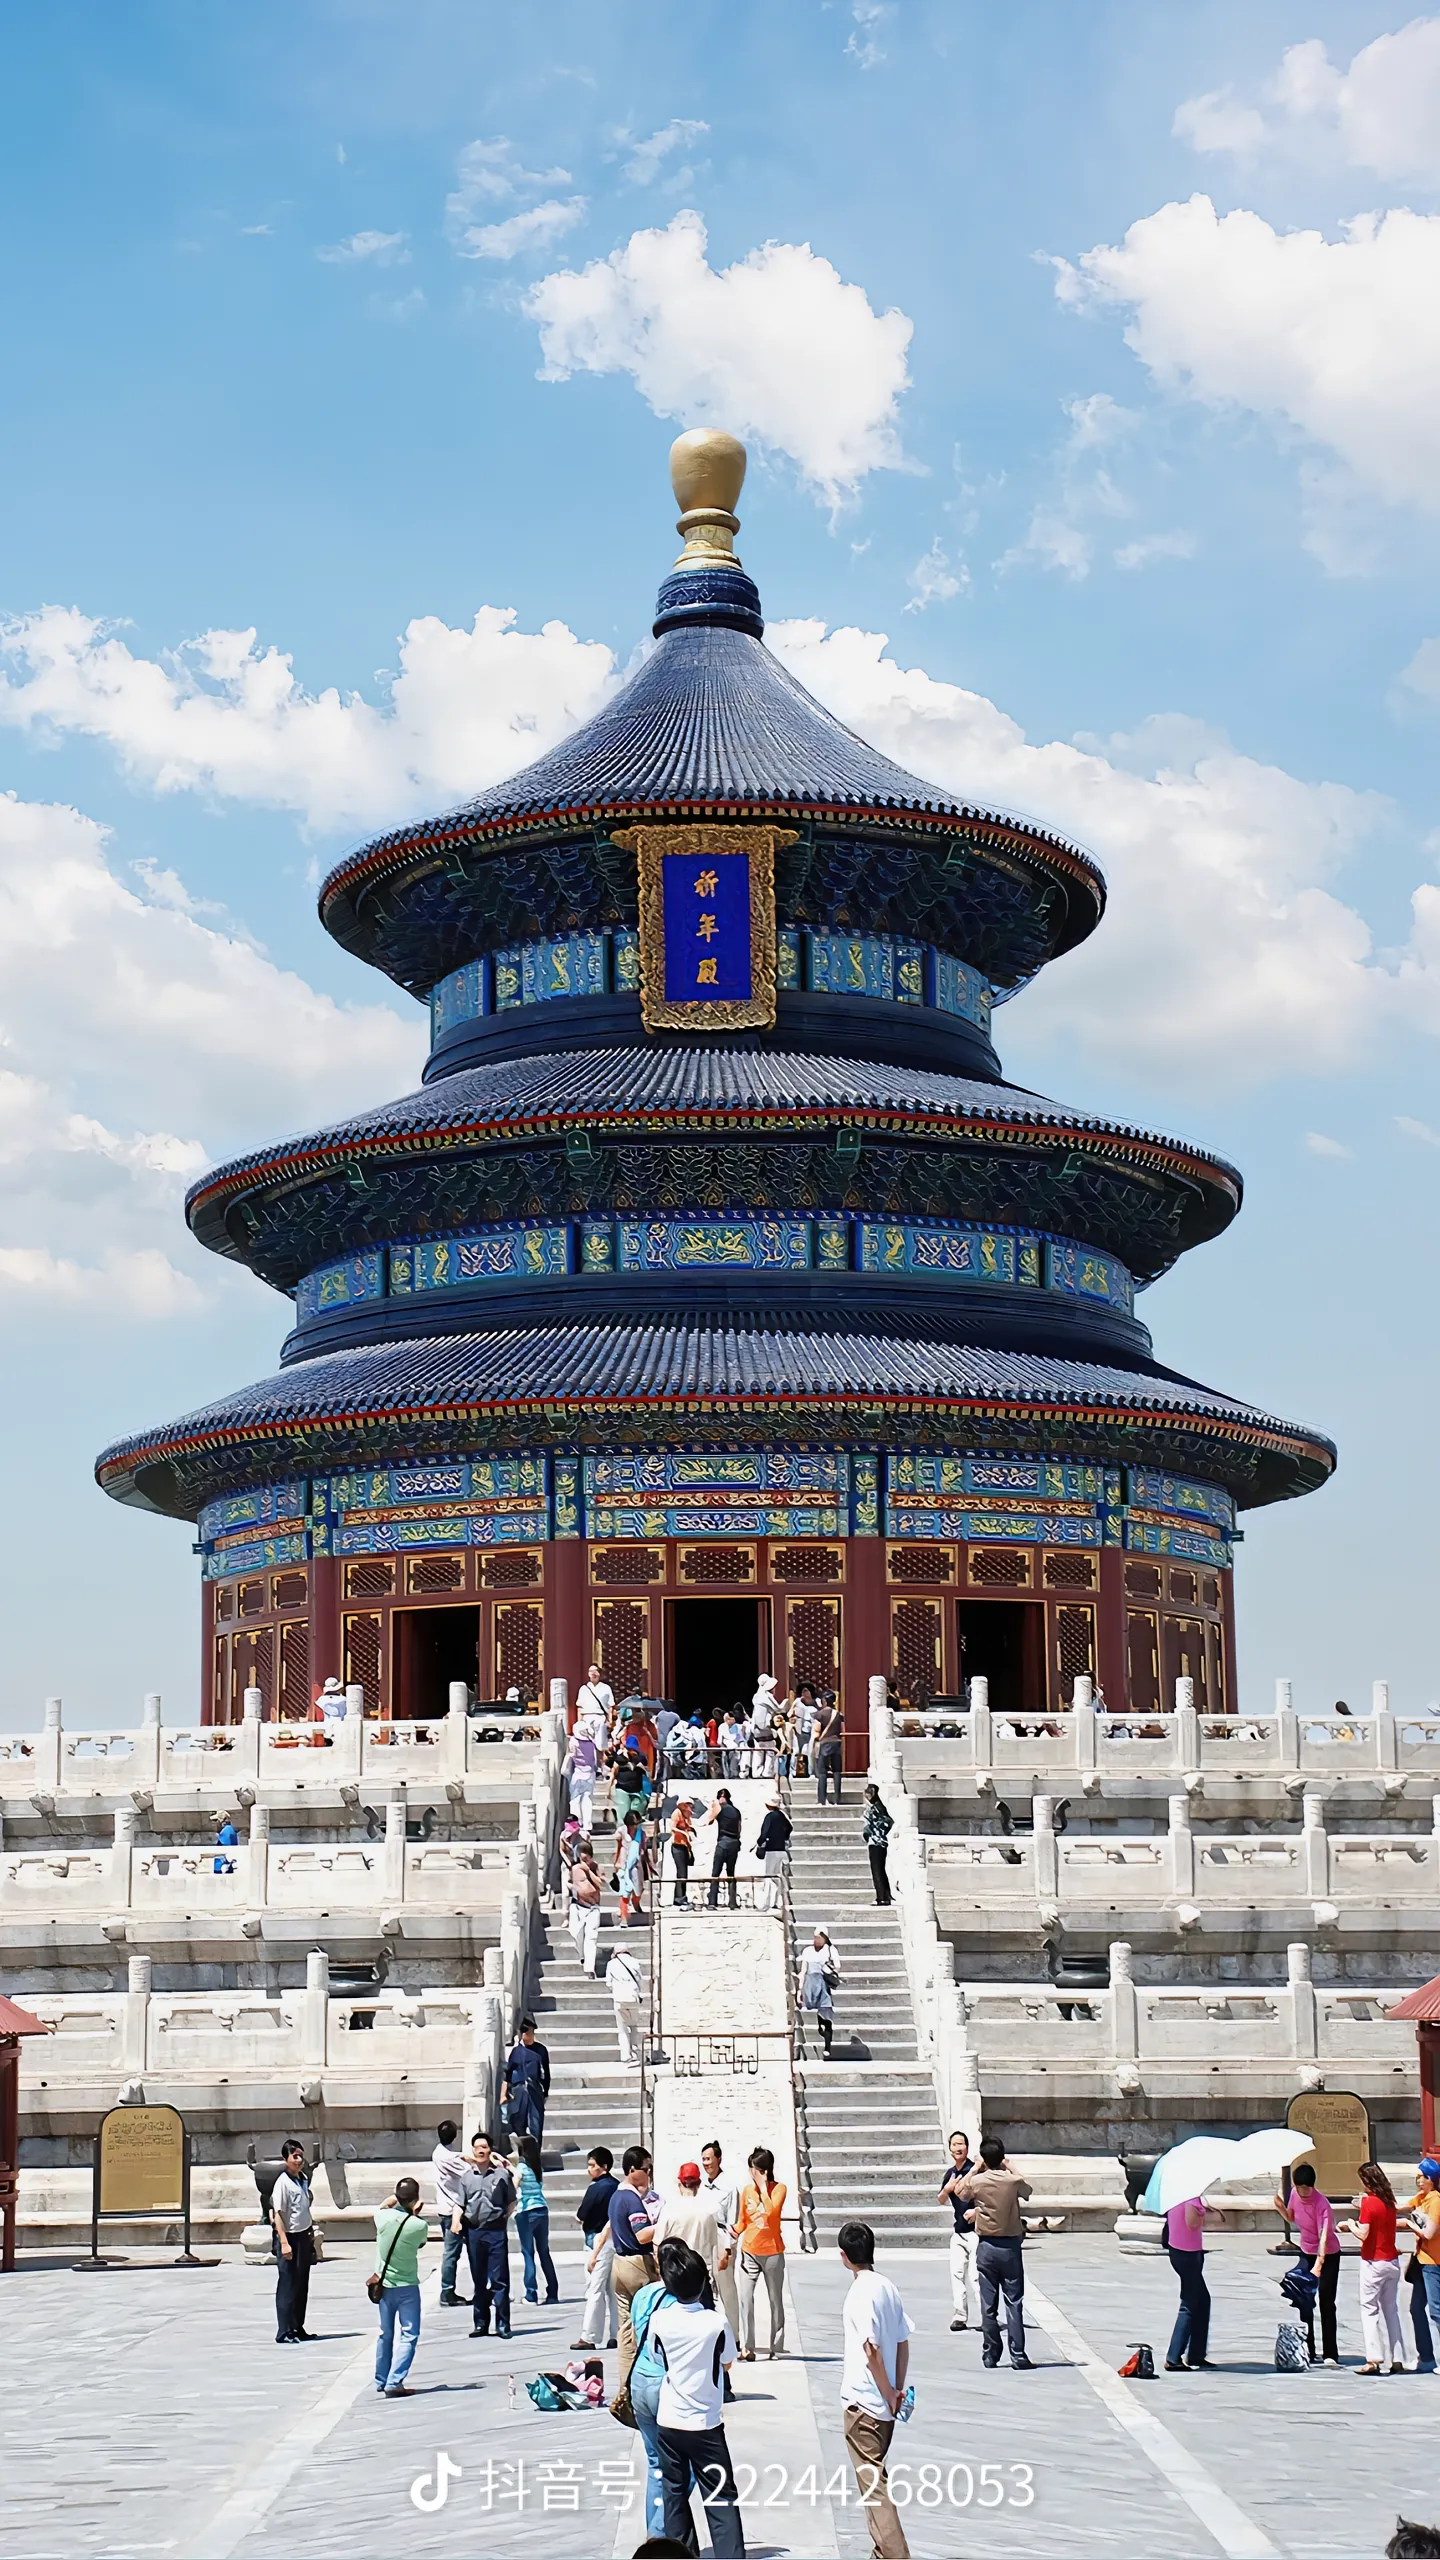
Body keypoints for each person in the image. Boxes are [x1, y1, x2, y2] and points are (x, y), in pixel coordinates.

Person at [648, 2240, 745, 2557]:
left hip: (669, 2420)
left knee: (674, 2494)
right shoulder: (715, 2322)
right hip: (705, 2423)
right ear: (703, 2282)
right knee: (720, 2495)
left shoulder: (660, 2319)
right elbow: (727, 2362)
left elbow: (657, 2356)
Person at [837, 2219, 913, 2560]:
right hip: (884, 2408)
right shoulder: (887, 2286)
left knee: (873, 2486)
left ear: (844, 2256)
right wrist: (896, 2389)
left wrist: (887, 2391)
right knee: (874, 2481)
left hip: (863, 2403)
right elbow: (903, 2342)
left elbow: (871, 2351)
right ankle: (881, 2553)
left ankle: (895, 2554)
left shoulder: (860, 2294)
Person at [948, 2132, 1034, 2369]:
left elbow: (960, 2192)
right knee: (1014, 2301)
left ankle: (991, 2353)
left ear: (984, 2158)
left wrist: (975, 2169)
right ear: (1002, 2156)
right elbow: (1027, 2190)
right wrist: (1010, 2166)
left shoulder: (978, 2181)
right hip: (1011, 2246)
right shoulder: (1011, 2181)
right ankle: (1018, 2354)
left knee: (988, 2304)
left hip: (986, 2246)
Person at [628, 2239, 683, 2543]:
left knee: (654, 2463)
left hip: (640, 2381)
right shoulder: (679, 2302)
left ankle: (655, 2533)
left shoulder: (643, 2295)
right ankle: (666, 2530)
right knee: (683, 2465)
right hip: (665, 2384)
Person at [1271, 2161, 1340, 2364]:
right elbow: (1292, 2217)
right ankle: (1308, 2349)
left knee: (1326, 2301)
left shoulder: (1321, 2204)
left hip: (1327, 2254)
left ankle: (1330, 2353)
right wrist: (1280, 2208)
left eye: (1306, 2188)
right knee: (1304, 2300)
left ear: (1312, 2186)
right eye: (1299, 2187)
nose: (1303, 2192)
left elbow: (1324, 2236)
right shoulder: (1294, 2194)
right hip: (1306, 2252)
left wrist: (1319, 2263)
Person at [1345, 2161, 1405, 2373]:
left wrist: (1350, 2224)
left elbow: (1363, 2234)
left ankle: (1373, 2358)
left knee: (1369, 2309)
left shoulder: (1369, 2203)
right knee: (1391, 2310)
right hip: (1392, 2261)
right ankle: (1397, 2357)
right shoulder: (1389, 2201)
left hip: (1373, 2261)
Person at [373, 2175, 430, 2397]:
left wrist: (395, 2200)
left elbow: (383, 2206)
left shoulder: (382, 2217)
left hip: (384, 2285)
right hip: (407, 2286)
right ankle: (394, 2381)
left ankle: (381, 2379)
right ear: (416, 2200)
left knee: (385, 2333)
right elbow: (420, 2243)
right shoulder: (419, 2225)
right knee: (409, 2334)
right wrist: (414, 2213)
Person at [456, 2131, 515, 2340]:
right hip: (474, 2231)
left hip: (495, 2230)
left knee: (499, 2280)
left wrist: (504, 2218)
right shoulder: (466, 2178)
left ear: (491, 2150)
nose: (480, 2151)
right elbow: (460, 2204)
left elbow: (511, 2200)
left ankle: (503, 2324)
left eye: (484, 2147)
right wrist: (456, 2221)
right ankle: (480, 2323)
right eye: (477, 2147)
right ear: (473, 2150)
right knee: (478, 2279)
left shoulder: (501, 2175)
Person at [610, 2143, 659, 2383]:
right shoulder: (632, 2200)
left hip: (619, 2263)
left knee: (626, 2330)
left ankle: (624, 2384)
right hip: (637, 2265)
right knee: (648, 2324)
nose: (649, 2174)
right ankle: (645, 2380)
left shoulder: (616, 2197)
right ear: (632, 2170)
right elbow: (641, 2235)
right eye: (646, 2169)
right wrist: (665, 2224)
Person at [732, 2146, 786, 2360]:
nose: (750, 2172)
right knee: (745, 2298)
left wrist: (763, 2187)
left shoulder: (779, 2189)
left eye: (754, 2169)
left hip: (772, 2252)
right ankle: (748, 2346)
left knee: (775, 2300)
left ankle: (776, 2346)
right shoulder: (747, 2191)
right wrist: (734, 2231)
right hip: (750, 2252)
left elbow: (771, 2213)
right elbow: (743, 2220)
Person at [1163, 2192, 1221, 2372]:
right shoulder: (1190, 2196)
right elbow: (1192, 2221)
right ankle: (1173, 2357)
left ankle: (1196, 2354)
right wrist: (1204, 2215)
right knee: (1189, 2303)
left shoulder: (1176, 2195)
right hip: (1188, 2254)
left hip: (1178, 2250)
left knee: (1202, 2301)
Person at [270, 2139, 316, 2344]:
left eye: (300, 2156)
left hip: (303, 2235)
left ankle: (298, 2326)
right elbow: (278, 2214)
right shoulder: (282, 2183)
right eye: (294, 2156)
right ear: (285, 2159)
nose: (298, 2160)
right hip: (289, 2237)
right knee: (288, 2284)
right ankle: (284, 2330)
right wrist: (284, 2242)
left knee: (301, 2284)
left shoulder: (302, 2179)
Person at [573, 2145, 619, 2349]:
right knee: (612, 2289)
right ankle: (617, 2333)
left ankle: (589, 2336)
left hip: (597, 2239)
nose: (589, 2169)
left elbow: (582, 2214)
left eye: (593, 2165)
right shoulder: (617, 2186)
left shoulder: (597, 2188)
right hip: (613, 2240)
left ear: (604, 2166)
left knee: (595, 2288)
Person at [701, 2138, 742, 2352]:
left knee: (726, 2290)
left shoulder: (729, 2188)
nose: (706, 2163)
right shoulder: (701, 2187)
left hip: (721, 2239)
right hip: (703, 2239)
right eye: (703, 2159)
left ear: (718, 2159)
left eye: (709, 2159)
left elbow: (733, 2223)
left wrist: (727, 2250)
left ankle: (734, 2337)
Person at [1398, 2157, 1440, 2366]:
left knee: (1436, 2311)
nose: (1419, 2181)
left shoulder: (1436, 2201)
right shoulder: (1421, 2198)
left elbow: (1429, 2233)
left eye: (1423, 2177)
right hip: (1421, 2261)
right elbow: (1400, 2208)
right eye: (1417, 2177)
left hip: (1434, 2262)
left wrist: (1409, 2224)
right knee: (1416, 2308)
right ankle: (1426, 2358)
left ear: (1432, 2179)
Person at [656, 2160, 722, 2289]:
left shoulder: (669, 2209)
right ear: (699, 2183)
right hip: (701, 2273)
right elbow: (714, 2247)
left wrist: (661, 2273)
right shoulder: (709, 2210)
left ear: (679, 2183)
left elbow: (657, 2244)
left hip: (675, 2273)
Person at [513, 2132, 559, 2308]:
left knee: (528, 2252)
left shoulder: (521, 2168)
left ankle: (531, 2294)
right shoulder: (537, 2167)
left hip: (526, 2212)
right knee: (544, 2252)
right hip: (541, 2210)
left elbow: (514, 2185)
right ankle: (552, 2291)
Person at [938, 2129, 976, 2331]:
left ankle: (988, 2316)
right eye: (954, 2144)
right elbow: (941, 2198)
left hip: (977, 2233)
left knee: (977, 2277)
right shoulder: (950, 2174)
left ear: (967, 2148)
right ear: (950, 2149)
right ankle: (960, 2316)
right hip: (959, 2232)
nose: (958, 2148)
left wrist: (977, 2211)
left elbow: (986, 2198)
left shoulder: (975, 2171)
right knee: (956, 2274)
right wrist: (947, 2188)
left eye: (961, 2144)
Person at [432, 2117, 470, 2306]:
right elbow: (469, 2171)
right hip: (454, 2210)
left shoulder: (438, 2152)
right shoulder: (450, 2158)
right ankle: (447, 2291)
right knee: (452, 2253)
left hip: (445, 2207)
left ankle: (448, 2290)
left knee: (452, 2252)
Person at [501, 2016, 551, 2145]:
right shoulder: (516, 2051)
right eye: (522, 2031)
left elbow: (546, 2073)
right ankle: (522, 2151)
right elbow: (508, 2073)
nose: (524, 2034)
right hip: (518, 2091)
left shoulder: (541, 2051)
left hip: (535, 2090)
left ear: (532, 2031)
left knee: (536, 2124)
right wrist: (504, 2093)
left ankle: (535, 2152)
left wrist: (545, 2093)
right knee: (517, 2123)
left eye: (527, 2030)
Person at [797, 1927, 840, 2057]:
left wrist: (829, 1968)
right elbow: (803, 1971)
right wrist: (799, 1990)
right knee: (816, 2011)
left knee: (826, 2013)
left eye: (820, 1938)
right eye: (815, 1937)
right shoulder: (807, 1951)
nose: (816, 1940)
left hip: (823, 1984)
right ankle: (821, 2028)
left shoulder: (830, 1950)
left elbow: (837, 1966)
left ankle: (828, 2045)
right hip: (810, 1984)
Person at [754, 1792, 793, 1913]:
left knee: (769, 1877)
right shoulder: (782, 1815)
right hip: (781, 1850)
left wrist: (760, 1842)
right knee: (777, 1877)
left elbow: (764, 1833)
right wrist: (784, 1837)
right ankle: (777, 1902)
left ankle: (766, 1904)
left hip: (771, 1850)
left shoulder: (769, 1817)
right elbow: (789, 1828)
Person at [608, 1941, 646, 2066]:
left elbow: (608, 1982)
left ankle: (625, 2055)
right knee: (634, 2026)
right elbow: (640, 1979)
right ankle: (636, 2053)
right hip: (633, 1998)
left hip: (619, 1999)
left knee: (622, 2029)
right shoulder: (635, 1962)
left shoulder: (611, 1964)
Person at [569, 1839, 603, 1975]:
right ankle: (582, 1955)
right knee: (576, 1934)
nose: (584, 1861)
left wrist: (588, 1871)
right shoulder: (575, 1869)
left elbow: (600, 1884)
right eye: (581, 1858)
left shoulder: (596, 1867)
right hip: (578, 1906)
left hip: (593, 1908)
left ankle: (589, 1968)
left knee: (591, 1937)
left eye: (586, 1858)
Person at [705, 1786, 742, 1909]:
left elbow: (709, 1820)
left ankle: (712, 1902)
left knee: (716, 1872)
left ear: (721, 1798)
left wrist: (714, 1807)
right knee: (731, 1873)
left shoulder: (719, 1809)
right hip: (734, 1843)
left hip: (723, 1842)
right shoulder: (736, 1811)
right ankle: (732, 1902)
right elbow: (739, 1828)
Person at [565, 1721, 600, 1836]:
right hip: (590, 1774)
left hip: (578, 1773)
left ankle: (576, 1822)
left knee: (575, 1800)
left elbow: (571, 1753)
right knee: (587, 1799)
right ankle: (587, 1824)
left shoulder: (574, 1741)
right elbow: (595, 1760)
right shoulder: (591, 1743)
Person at [861, 1784, 895, 1905]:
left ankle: (881, 1898)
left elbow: (885, 1822)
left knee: (877, 1871)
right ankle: (885, 1895)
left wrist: (872, 1832)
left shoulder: (874, 1808)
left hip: (876, 1842)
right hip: (880, 1842)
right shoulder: (879, 1806)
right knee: (880, 1870)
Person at [615, 1807, 648, 1925]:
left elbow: (643, 1850)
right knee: (625, 1891)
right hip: (624, 1863)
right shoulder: (621, 1832)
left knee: (638, 1889)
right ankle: (624, 1917)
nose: (636, 1826)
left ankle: (635, 1902)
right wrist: (617, 1861)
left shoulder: (641, 1834)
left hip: (636, 1865)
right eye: (634, 1824)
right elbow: (619, 1847)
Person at [815, 1691, 844, 1803]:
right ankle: (837, 1799)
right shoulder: (839, 1715)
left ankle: (822, 1799)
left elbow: (817, 1730)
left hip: (825, 1744)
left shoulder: (820, 1714)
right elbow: (842, 1729)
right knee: (837, 1772)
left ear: (825, 1701)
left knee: (822, 1772)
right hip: (836, 1744)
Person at [750, 1674, 779, 1779]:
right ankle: (767, 1772)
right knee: (770, 1751)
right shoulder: (765, 1697)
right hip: (764, 1728)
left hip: (757, 1729)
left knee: (759, 1752)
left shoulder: (757, 1697)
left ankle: (757, 1772)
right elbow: (777, 1709)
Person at [669, 1798, 696, 1905]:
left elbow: (686, 1827)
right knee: (681, 1872)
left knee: (684, 1873)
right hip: (677, 1846)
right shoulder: (677, 1813)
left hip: (685, 1846)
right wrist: (683, 1833)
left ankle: (680, 1896)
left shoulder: (686, 1816)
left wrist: (690, 1830)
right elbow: (672, 1827)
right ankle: (679, 1898)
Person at [576, 1663, 615, 1729]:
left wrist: (610, 1721)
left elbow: (610, 1707)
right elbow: (579, 1707)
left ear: (599, 1673)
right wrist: (579, 1722)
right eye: (590, 1671)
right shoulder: (583, 1689)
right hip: (586, 1718)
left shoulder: (606, 1688)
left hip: (600, 1717)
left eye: (595, 1671)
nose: (593, 1673)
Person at [791, 1685, 816, 1779]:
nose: (805, 1693)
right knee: (796, 1751)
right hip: (798, 1732)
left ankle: (810, 1772)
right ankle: (792, 1772)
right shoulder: (798, 1702)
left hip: (810, 1732)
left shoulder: (815, 1703)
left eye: (807, 1691)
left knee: (809, 1752)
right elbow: (789, 1714)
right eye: (803, 1691)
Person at [717, 1708, 744, 1778]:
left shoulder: (736, 1726)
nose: (733, 1720)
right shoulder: (722, 1726)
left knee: (733, 1765)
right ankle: (728, 1777)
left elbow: (738, 1737)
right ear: (727, 1719)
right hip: (726, 1748)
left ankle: (733, 1776)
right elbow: (719, 1740)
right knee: (727, 1765)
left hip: (734, 1748)